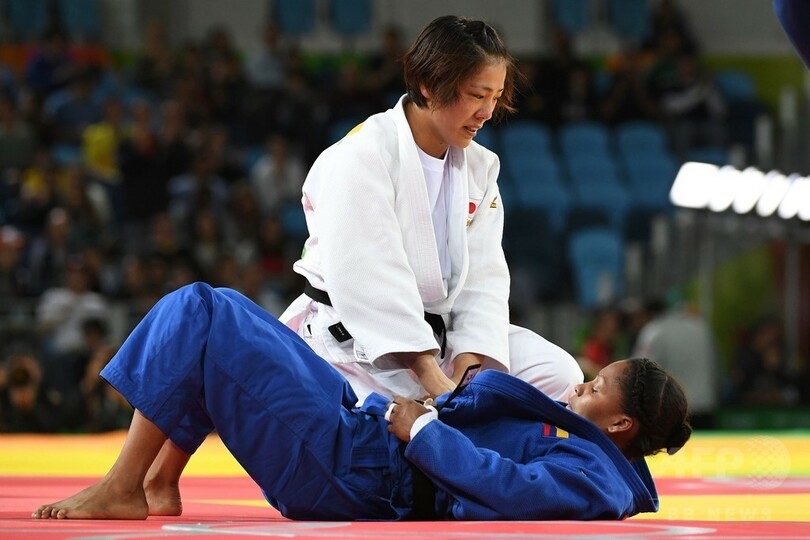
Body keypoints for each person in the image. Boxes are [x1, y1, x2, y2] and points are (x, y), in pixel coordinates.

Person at [31, 282, 692, 521]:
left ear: (621, 423)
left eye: (593, 389)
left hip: (361, 475)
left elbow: (514, 492)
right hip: (365, 441)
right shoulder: (585, 450)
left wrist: (425, 431)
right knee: (219, 306)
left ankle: (126, 486)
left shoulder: (597, 478)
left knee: (203, 314)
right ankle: (154, 482)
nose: (577, 386)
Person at [280, 15, 582, 404]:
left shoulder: (479, 167)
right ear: (429, 84)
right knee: (386, 424)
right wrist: (435, 380)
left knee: (559, 374)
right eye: (477, 95)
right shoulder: (363, 155)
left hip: (442, 339)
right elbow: (368, 278)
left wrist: (467, 366)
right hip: (355, 342)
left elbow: (483, 278)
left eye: (495, 97)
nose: (487, 112)